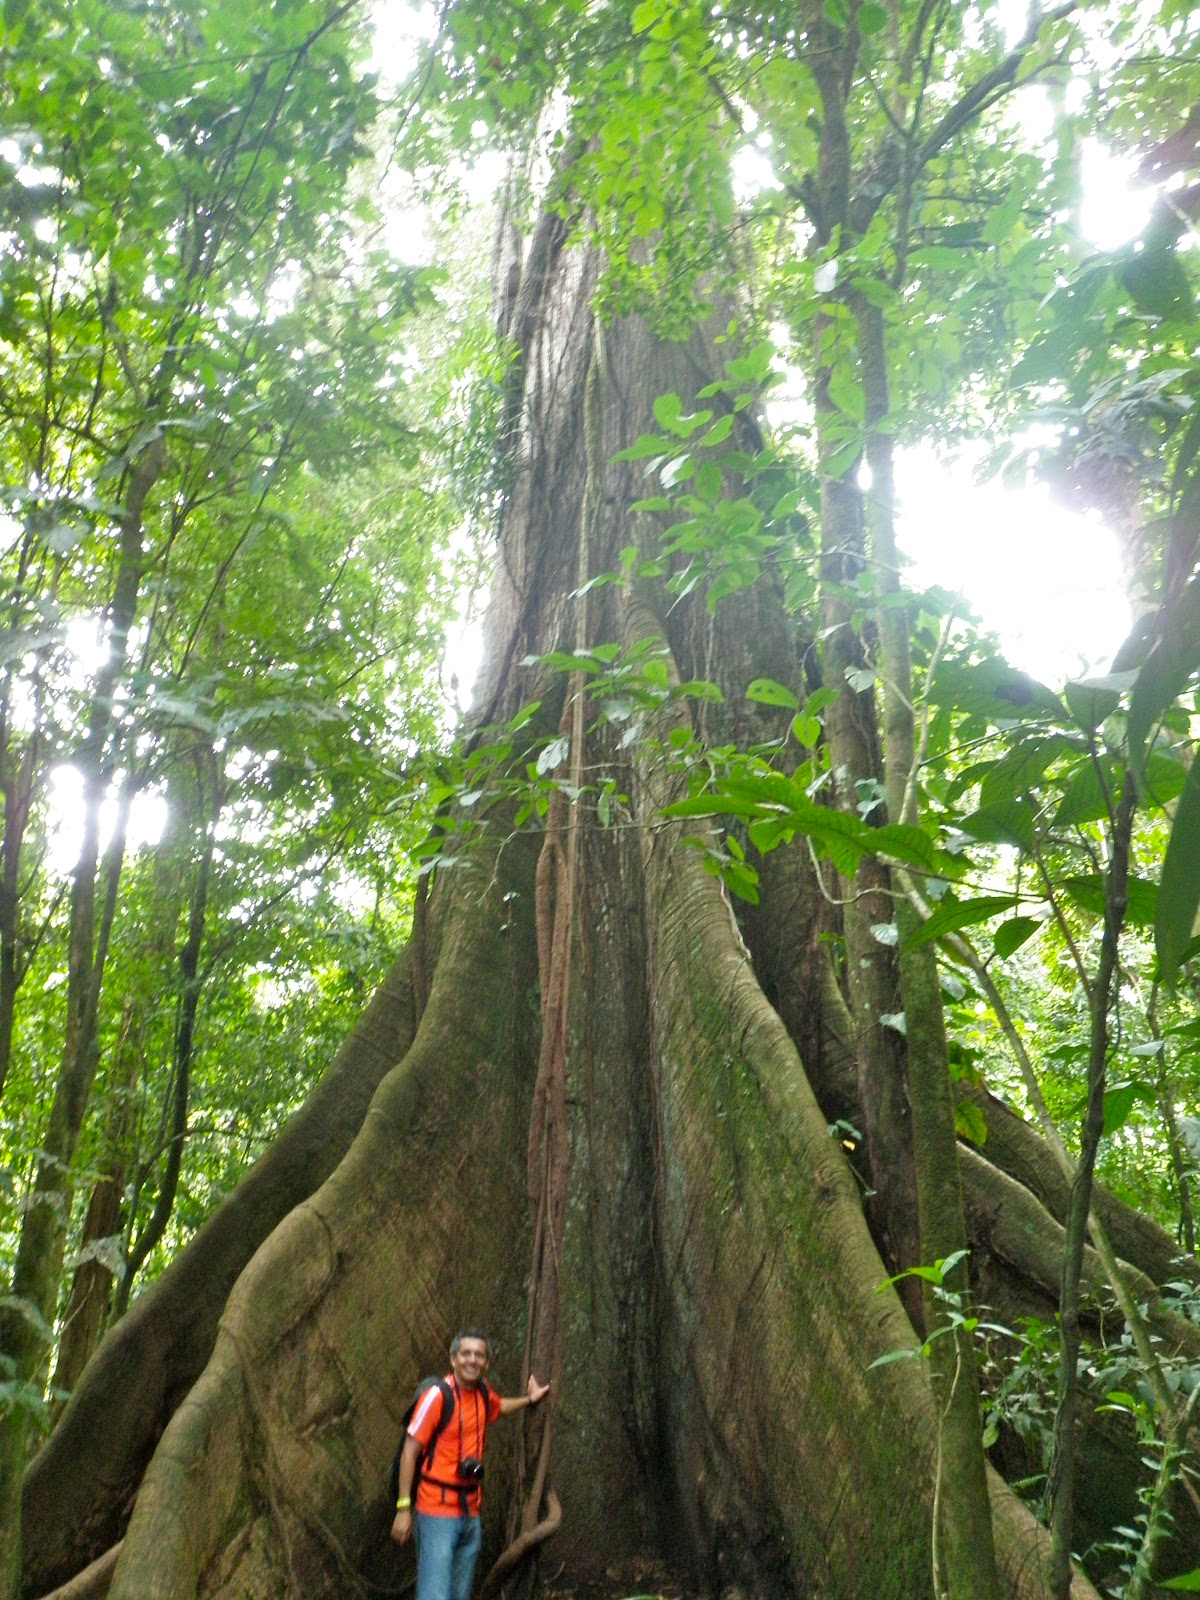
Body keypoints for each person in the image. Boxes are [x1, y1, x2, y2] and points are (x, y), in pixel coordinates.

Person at [391, 1327, 550, 1600]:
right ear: (453, 1360)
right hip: (436, 1514)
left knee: (459, 1594)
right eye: (466, 1354)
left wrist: (529, 1400)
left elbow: (499, 1407)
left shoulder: (482, 1394)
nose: (472, 1360)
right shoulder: (438, 1397)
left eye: (479, 1355)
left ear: (486, 1363)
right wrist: (404, 1509)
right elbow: (410, 1451)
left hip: (470, 1514)